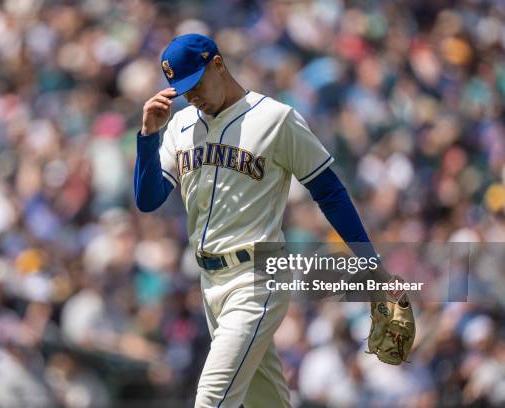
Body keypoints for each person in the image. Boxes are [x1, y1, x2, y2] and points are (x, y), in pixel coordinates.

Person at [134, 34, 408, 408]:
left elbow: (330, 192)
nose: (191, 95)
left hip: (256, 278)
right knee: (267, 401)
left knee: (212, 399)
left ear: (217, 64)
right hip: (209, 281)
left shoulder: (275, 118)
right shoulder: (181, 125)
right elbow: (148, 199)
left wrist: (372, 266)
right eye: (182, 89)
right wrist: (149, 136)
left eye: (194, 83)